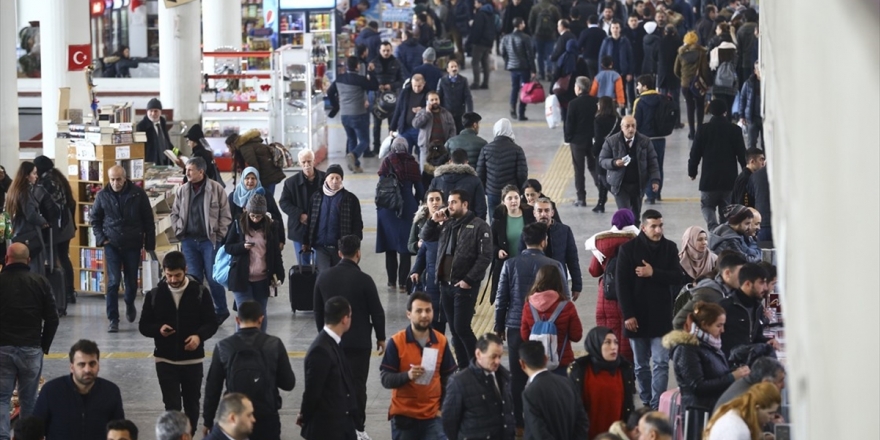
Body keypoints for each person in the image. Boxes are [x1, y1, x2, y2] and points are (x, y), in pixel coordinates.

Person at [313, 235, 387, 437]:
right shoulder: (364, 280)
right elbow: (377, 311)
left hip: (332, 344)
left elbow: (318, 311)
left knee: (333, 385)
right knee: (357, 386)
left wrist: (324, 335)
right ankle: (358, 428)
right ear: (358, 253)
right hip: (359, 344)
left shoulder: (324, 277)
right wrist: (381, 337)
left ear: (339, 253)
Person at [139, 251, 219, 435]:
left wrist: (199, 337)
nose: (173, 280)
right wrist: (158, 329)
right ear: (164, 272)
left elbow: (211, 323)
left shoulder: (200, 292)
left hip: (192, 361)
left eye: (177, 275)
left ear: (186, 270)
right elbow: (144, 326)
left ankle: (188, 436)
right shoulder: (154, 295)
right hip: (165, 360)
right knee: (172, 405)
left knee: (192, 404)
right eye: (169, 276)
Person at [494, 222, 563, 429]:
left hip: (516, 326)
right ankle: (543, 418)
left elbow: (501, 297)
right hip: (547, 329)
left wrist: (499, 325)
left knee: (517, 374)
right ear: (544, 241)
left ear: (524, 241)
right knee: (543, 372)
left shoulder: (510, 264)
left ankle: (519, 421)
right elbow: (564, 297)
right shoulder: (554, 265)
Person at [616, 209, 680, 409]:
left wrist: (654, 273)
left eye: (660, 225)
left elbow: (677, 277)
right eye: (653, 226)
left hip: (661, 317)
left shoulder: (670, 248)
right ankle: (645, 398)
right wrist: (628, 315)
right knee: (641, 365)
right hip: (637, 317)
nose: (658, 230)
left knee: (661, 363)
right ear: (643, 228)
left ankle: (656, 404)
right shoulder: (628, 250)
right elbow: (621, 285)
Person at [420, 189, 492, 369]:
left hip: (464, 286)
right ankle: (463, 367)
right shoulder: (446, 223)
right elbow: (425, 237)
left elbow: (485, 257)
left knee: (462, 328)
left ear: (464, 204)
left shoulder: (479, 226)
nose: (449, 206)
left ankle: (479, 365)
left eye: (453, 202)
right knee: (454, 330)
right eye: (449, 202)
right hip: (445, 285)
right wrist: (432, 221)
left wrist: (468, 280)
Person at [202, 302, 294, 439]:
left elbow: (212, 388)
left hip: (236, 420)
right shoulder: (274, 344)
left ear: (237, 320)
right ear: (261, 319)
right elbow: (288, 383)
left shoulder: (223, 346)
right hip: (267, 418)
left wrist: (207, 421)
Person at [379, 291, 458, 439]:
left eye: (428, 310)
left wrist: (442, 408)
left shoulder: (440, 341)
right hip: (404, 417)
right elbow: (385, 379)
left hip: (433, 417)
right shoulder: (397, 342)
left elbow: (449, 377)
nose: (424, 315)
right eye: (419, 311)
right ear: (409, 314)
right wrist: (407, 376)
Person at [0, 243, 58, 440]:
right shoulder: (40, 282)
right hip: (31, 349)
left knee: (1, 397)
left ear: (6, 259)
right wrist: (43, 346)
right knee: (29, 400)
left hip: (2, 349)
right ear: (28, 260)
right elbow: (53, 318)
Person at [664, 302, 747, 437]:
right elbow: (697, 386)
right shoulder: (687, 349)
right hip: (698, 415)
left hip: (713, 410)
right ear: (704, 325)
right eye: (718, 325)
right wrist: (732, 377)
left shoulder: (710, 345)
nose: (723, 330)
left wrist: (735, 371)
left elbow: (715, 372)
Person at [90, 165, 156, 331]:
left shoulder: (137, 194)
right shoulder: (102, 195)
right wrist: (102, 239)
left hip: (132, 243)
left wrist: (150, 244)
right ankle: (113, 319)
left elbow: (148, 220)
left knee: (131, 281)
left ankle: (129, 302)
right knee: (113, 282)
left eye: (118, 179)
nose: (115, 183)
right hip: (111, 243)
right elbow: (95, 219)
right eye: (112, 179)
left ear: (125, 178)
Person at [170, 157, 232, 322]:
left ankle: (221, 310)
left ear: (201, 171)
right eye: (186, 170)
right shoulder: (182, 190)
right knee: (193, 278)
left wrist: (219, 235)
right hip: (189, 241)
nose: (187, 173)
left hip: (209, 241)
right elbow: (174, 213)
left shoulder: (216, 189)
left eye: (190, 170)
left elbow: (226, 215)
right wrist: (178, 230)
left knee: (213, 277)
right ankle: (198, 312)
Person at [33, 340, 125, 440]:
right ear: (72, 367)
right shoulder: (51, 391)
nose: (87, 370)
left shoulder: (111, 392)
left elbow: (119, 431)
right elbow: (36, 430)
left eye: (92, 364)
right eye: (81, 364)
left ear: (98, 365)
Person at [299, 296, 360, 439]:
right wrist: (305, 416)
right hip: (328, 430)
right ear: (344, 319)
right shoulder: (320, 350)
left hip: (341, 425)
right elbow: (312, 391)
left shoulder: (332, 343)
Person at [224, 194, 285, 331]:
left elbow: (275, 253)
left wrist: (280, 275)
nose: (255, 219)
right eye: (252, 215)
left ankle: (260, 343)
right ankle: (241, 345)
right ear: (246, 211)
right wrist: (242, 246)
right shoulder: (239, 224)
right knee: (244, 312)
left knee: (260, 313)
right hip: (241, 277)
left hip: (262, 279)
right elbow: (228, 247)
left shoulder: (271, 226)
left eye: (259, 216)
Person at [585, 209, 639, 363]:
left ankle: (610, 371)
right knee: (628, 337)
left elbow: (593, 271)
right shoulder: (637, 241)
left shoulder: (601, 243)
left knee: (608, 336)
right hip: (629, 297)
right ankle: (627, 374)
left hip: (606, 298)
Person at [442, 333, 516, 440]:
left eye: (500, 356)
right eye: (493, 356)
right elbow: (449, 421)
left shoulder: (505, 377)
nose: (498, 361)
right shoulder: (458, 382)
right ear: (478, 354)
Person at [688, 100, 748, 231]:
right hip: (729, 180)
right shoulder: (734, 130)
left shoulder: (703, 130)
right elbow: (742, 154)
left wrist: (692, 171)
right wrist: (746, 172)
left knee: (707, 206)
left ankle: (713, 227)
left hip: (709, 180)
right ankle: (723, 234)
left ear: (710, 112)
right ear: (726, 112)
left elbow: (695, 153)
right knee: (726, 211)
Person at [570, 326, 637, 438]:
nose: (613, 347)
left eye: (616, 342)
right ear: (595, 344)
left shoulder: (624, 368)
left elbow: (628, 405)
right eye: (607, 342)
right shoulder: (580, 370)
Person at [377, 139, 425, 290]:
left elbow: (380, 186)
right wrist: (415, 202)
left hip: (388, 208)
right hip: (407, 207)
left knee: (389, 246)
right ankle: (403, 282)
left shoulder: (386, 162)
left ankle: (391, 282)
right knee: (405, 245)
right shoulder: (412, 163)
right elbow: (420, 190)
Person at [519, 340, 590, 440]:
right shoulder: (567, 383)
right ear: (546, 358)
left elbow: (538, 431)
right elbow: (582, 420)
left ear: (522, 363)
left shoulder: (529, 393)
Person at [302, 164, 364, 272]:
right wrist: (306, 241)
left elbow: (357, 224)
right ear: (326, 179)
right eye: (332, 178)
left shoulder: (350, 199)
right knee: (323, 276)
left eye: (338, 178)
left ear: (342, 180)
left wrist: (355, 245)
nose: (334, 181)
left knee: (340, 277)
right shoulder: (316, 197)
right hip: (320, 246)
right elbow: (311, 221)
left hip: (341, 248)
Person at [32, 156, 76, 308]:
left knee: (56, 259)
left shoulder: (46, 182)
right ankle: (70, 291)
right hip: (66, 224)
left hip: (57, 227)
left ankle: (61, 293)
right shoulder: (57, 177)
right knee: (64, 257)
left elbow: (45, 206)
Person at [599, 115, 661, 222]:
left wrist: (655, 180)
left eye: (633, 126)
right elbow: (602, 160)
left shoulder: (645, 141)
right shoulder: (611, 141)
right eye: (627, 126)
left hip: (638, 184)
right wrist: (614, 163)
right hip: (620, 185)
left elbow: (653, 162)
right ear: (621, 127)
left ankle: (635, 237)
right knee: (625, 216)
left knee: (636, 216)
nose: (631, 129)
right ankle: (626, 237)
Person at [328, 56, 380, 174]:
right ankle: (354, 155)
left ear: (346, 66)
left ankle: (355, 166)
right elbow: (374, 86)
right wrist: (371, 72)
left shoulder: (339, 79)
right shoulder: (360, 79)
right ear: (357, 66)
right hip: (358, 114)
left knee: (351, 139)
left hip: (344, 115)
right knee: (364, 141)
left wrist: (335, 105)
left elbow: (330, 92)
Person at [673, 252, 747, 330]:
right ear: (727, 273)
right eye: (741, 273)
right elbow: (678, 322)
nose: (744, 278)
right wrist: (702, 339)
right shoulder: (709, 293)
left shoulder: (730, 292)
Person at [718, 263, 779, 357]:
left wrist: (767, 341)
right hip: (730, 364)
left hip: (748, 360)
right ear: (747, 284)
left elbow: (754, 337)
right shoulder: (725, 307)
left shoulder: (757, 306)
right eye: (761, 283)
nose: (766, 288)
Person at [5, 162, 55, 276]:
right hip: (30, 234)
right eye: (34, 173)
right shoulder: (25, 192)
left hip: (18, 233)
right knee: (35, 269)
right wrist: (44, 222)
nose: (36, 176)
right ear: (26, 176)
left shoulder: (13, 190)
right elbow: (31, 214)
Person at [528, 197, 583, 299]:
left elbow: (572, 259)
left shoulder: (564, 231)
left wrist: (577, 285)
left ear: (552, 213)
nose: (543, 214)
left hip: (558, 282)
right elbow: (523, 258)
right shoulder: (528, 232)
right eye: (539, 211)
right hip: (535, 283)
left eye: (547, 210)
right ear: (534, 213)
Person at [490, 185, 537, 302]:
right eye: (509, 198)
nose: (514, 201)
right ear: (503, 201)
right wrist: (497, 251)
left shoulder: (530, 214)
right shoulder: (498, 218)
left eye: (516, 197)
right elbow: (491, 242)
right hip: (506, 267)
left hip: (528, 265)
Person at [409, 189, 446, 333]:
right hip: (426, 273)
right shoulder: (420, 220)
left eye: (437, 199)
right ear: (426, 202)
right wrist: (417, 245)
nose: (435, 202)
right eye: (431, 199)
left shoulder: (448, 221)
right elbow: (411, 245)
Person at [279, 150, 326, 265]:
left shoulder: (325, 179)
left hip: (320, 227)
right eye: (303, 162)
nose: (306, 165)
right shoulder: (291, 183)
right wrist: (300, 215)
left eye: (309, 161)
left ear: (314, 161)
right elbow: (284, 203)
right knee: (303, 264)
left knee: (319, 261)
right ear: (299, 163)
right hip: (299, 228)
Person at [477, 119, 529, 210]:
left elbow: (480, 173)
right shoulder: (517, 149)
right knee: (511, 217)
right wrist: (520, 191)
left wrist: (487, 190)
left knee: (494, 220)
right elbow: (522, 174)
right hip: (511, 193)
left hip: (492, 192)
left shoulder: (486, 149)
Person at [632, 74, 668, 204]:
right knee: (658, 166)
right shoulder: (662, 99)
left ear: (645, 86)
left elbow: (635, 122)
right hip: (660, 138)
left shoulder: (639, 101)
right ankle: (657, 193)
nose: (637, 87)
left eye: (639, 84)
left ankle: (650, 195)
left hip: (645, 138)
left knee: (646, 167)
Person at [227, 167, 285, 247]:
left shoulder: (265, 194)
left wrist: (281, 239)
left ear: (257, 179)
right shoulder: (234, 196)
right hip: (239, 240)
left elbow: (276, 216)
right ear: (242, 179)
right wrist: (227, 241)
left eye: (253, 178)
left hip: (262, 239)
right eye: (247, 178)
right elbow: (228, 219)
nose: (250, 181)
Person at [704, 382, 781, 440]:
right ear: (757, 409)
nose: (772, 417)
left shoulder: (734, 413)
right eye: (770, 413)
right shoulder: (737, 430)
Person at [566, 76, 599, 207]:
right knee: (593, 166)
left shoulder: (573, 104)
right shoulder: (595, 102)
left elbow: (569, 124)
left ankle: (581, 198)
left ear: (578, 88)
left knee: (579, 170)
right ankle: (601, 191)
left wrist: (568, 138)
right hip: (592, 139)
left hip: (577, 141)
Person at [429, 148, 487, 220]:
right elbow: (481, 208)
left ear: (450, 161)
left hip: (442, 222)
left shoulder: (436, 180)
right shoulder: (475, 181)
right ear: (466, 163)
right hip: (467, 224)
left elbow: (429, 203)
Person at [368, 41, 404, 156]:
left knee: (392, 126)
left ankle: (392, 146)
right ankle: (376, 147)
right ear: (380, 51)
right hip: (377, 99)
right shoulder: (373, 63)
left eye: (388, 50)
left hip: (392, 99)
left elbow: (402, 80)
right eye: (383, 50)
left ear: (391, 50)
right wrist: (376, 84)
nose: (386, 52)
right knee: (376, 125)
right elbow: (369, 80)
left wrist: (391, 86)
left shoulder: (397, 63)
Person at [715, 356, 785, 412]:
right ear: (766, 383)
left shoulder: (747, 384)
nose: (783, 386)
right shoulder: (748, 400)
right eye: (780, 381)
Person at [500, 17, 537, 120]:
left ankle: (512, 108)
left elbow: (502, 52)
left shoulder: (506, 38)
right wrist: (533, 69)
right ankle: (521, 113)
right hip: (524, 67)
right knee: (524, 90)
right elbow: (530, 55)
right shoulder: (526, 38)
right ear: (521, 24)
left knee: (514, 88)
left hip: (512, 67)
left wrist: (508, 61)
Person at [412, 91, 458, 175]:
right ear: (427, 102)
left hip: (442, 150)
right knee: (424, 173)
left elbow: (452, 129)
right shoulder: (422, 112)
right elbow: (415, 124)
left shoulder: (446, 114)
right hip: (426, 149)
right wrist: (427, 113)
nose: (434, 101)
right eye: (432, 100)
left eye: (436, 99)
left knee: (442, 173)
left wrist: (449, 143)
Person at [674, 31, 709, 139]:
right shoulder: (701, 52)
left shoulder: (680, 53)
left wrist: (683, 78)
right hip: (698, 83)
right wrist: (706, 81)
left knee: (690, 106)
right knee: (699, 106)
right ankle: (699, 130)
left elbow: (676, 70)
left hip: (685, 84)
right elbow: (704, 69)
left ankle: (692, 132)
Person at [591, 96, 619, 212]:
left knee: (603, 178)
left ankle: (619, 197)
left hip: (603, 153)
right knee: (604, 178)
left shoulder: (598, 120)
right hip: (615, 153)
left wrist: (594, 151)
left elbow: (598, 139)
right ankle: (601, 203)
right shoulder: (618, 119)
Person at [599, 21, 634, 108]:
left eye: (617, 28)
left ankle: (623, 111)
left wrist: (630, 72)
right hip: (609, 72)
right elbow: (601, 57)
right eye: (613, 28)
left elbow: (630, 57)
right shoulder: (606, 41)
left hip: (622, 71)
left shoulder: (625, 41)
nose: (615, 30)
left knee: (622, 91)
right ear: (610, 29)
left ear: (620, 29)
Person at [389, 74, 429, 150]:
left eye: (419, 86)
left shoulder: (428, 94)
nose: (417, 88)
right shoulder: (405, 93)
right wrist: (392, 127)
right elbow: (398, 110)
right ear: (411, 83)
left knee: (422, 154)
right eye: (414, 86)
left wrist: (422, 109)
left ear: (424, 83)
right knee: (404, 154)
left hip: (421, 130)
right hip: (405, 129)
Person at [436, 60, 474, 134]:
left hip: (460, 113)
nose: (454, 68)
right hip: (446, 114)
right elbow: (439, 96)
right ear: (448, 69)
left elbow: (468, 97)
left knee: (460, 133)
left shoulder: (463, 80)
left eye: (455, 66)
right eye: (452, 67)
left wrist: (470, 113)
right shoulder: (442, 81)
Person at [656, 25, 683, 128]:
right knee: (675, 100)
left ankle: (664, 121)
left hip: (663, 74)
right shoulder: (678, 42)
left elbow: (655, 55)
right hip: (674, 74)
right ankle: (676, 122)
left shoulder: (660, 42)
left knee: (663, 100)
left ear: (665, 32)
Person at [465, 0, 496, 89]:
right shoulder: (491, 14)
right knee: (485, 63)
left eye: (476, 3)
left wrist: (472, 41)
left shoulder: (480, 14)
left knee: (475, 62)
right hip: (488, 41)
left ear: (480, 4)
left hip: (479, 43)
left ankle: (476, 82)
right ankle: (485, 83)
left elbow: (477, 30)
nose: (474, 4)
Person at [528, 0, 562, 80]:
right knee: (549, 54)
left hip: (538, 36)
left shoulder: (535, 8)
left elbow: (530, 22)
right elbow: (559, 21)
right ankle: (549, 72)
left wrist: (534, 32)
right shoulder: (553, 8)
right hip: (550, 35)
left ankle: (541, 73)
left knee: (540, 55)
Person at [735, 61, 763, 149]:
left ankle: (765, 162)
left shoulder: (768, 84)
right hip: (752, 117)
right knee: (751, 143)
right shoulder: (748, 83)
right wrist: (742, 115)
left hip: (764, 118)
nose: (760, 71)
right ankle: (752, 161)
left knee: (765, 144)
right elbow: (742, 99)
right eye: (758, 69)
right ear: (755, 71)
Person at [137, 98, 172, 165]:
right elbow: (140, 148)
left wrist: (178, 153)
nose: (153, 113)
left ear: (160, 112)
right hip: (151, 162)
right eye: (151, 111)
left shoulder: (162, 122)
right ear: (147, 112)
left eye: (156, 111)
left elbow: (167, 142)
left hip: (165, 160)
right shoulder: (141, 126)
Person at [748, 166, 773, 245]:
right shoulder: (785, 174)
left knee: (763, 253)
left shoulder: (755, 175)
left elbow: (751, 193)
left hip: (762, 222)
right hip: (781, 222)